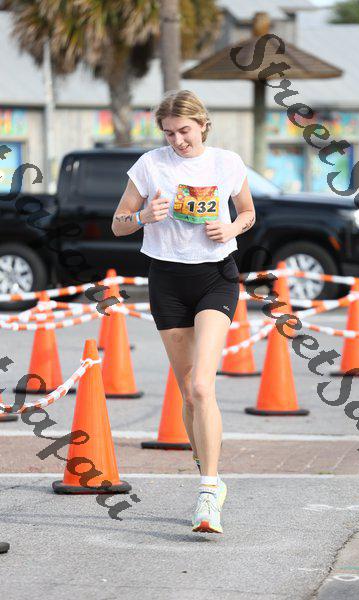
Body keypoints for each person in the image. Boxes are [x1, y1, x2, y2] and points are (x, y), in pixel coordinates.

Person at [112, 90, 255, 534]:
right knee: (187, 393)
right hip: (167, 281)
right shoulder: (149, 165)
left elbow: (248, 212)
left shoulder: (227, 163)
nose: (178, 141)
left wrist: (231, 227)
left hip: (216, 276)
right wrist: (143, 217)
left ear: (203, 125)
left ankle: (208, 493)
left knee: (201, 385)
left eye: (185, 131)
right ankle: (206, 468)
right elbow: (118, 223)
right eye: (169, 133)